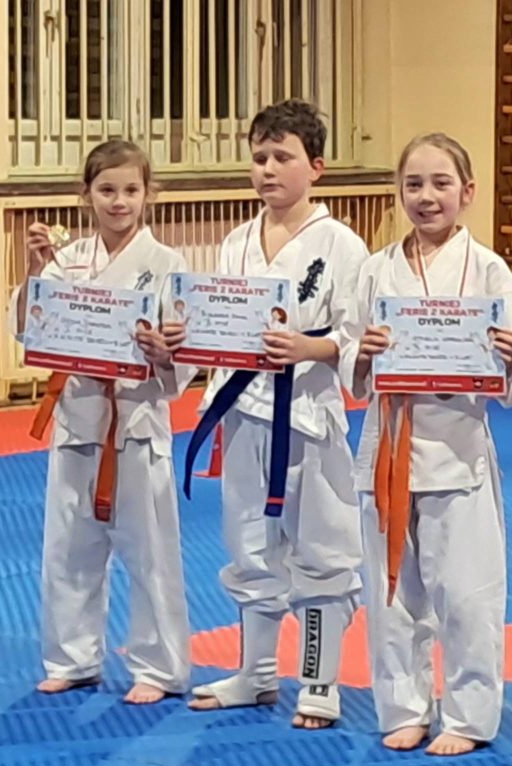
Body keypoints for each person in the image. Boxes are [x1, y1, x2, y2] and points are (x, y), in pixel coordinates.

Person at [177, 99, 368, 729]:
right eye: (259, 157)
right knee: (250, 544)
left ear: (316, 167)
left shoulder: (342, 245)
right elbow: (221, 321)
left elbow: (357, 334)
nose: (267, 169)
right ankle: (256, 674)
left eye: (282, 157)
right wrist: (190, 334)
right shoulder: (237, 240)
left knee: (321, 548)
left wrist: (310, 348)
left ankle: (319, 679)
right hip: (242, 411)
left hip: (308, 414)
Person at [339, 133, 512, 756]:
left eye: (441, 183)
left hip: (458, 449)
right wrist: (361, 353)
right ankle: (404, 706)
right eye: (413, 184)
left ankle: (469, 715)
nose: (426, 196)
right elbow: (350, 357)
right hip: (387, 446)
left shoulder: (489, 269)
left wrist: (507, 355)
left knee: (468, 595)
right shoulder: (375, 269)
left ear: (467, 192)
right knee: (391, 593)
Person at [10, 139, 194, 705]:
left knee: (149, 553)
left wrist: (165, 351)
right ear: (85, 194)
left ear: (149, 194)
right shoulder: (66, 260)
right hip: (77, 419)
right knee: (68, 548)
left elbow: (184, 351)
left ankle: (158, 667)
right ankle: (72, 658)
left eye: (131, 190)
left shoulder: (167, 264)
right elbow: (29, 329)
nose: (119, 201)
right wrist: (35, 271)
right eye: (107, 189)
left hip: (135, 422)